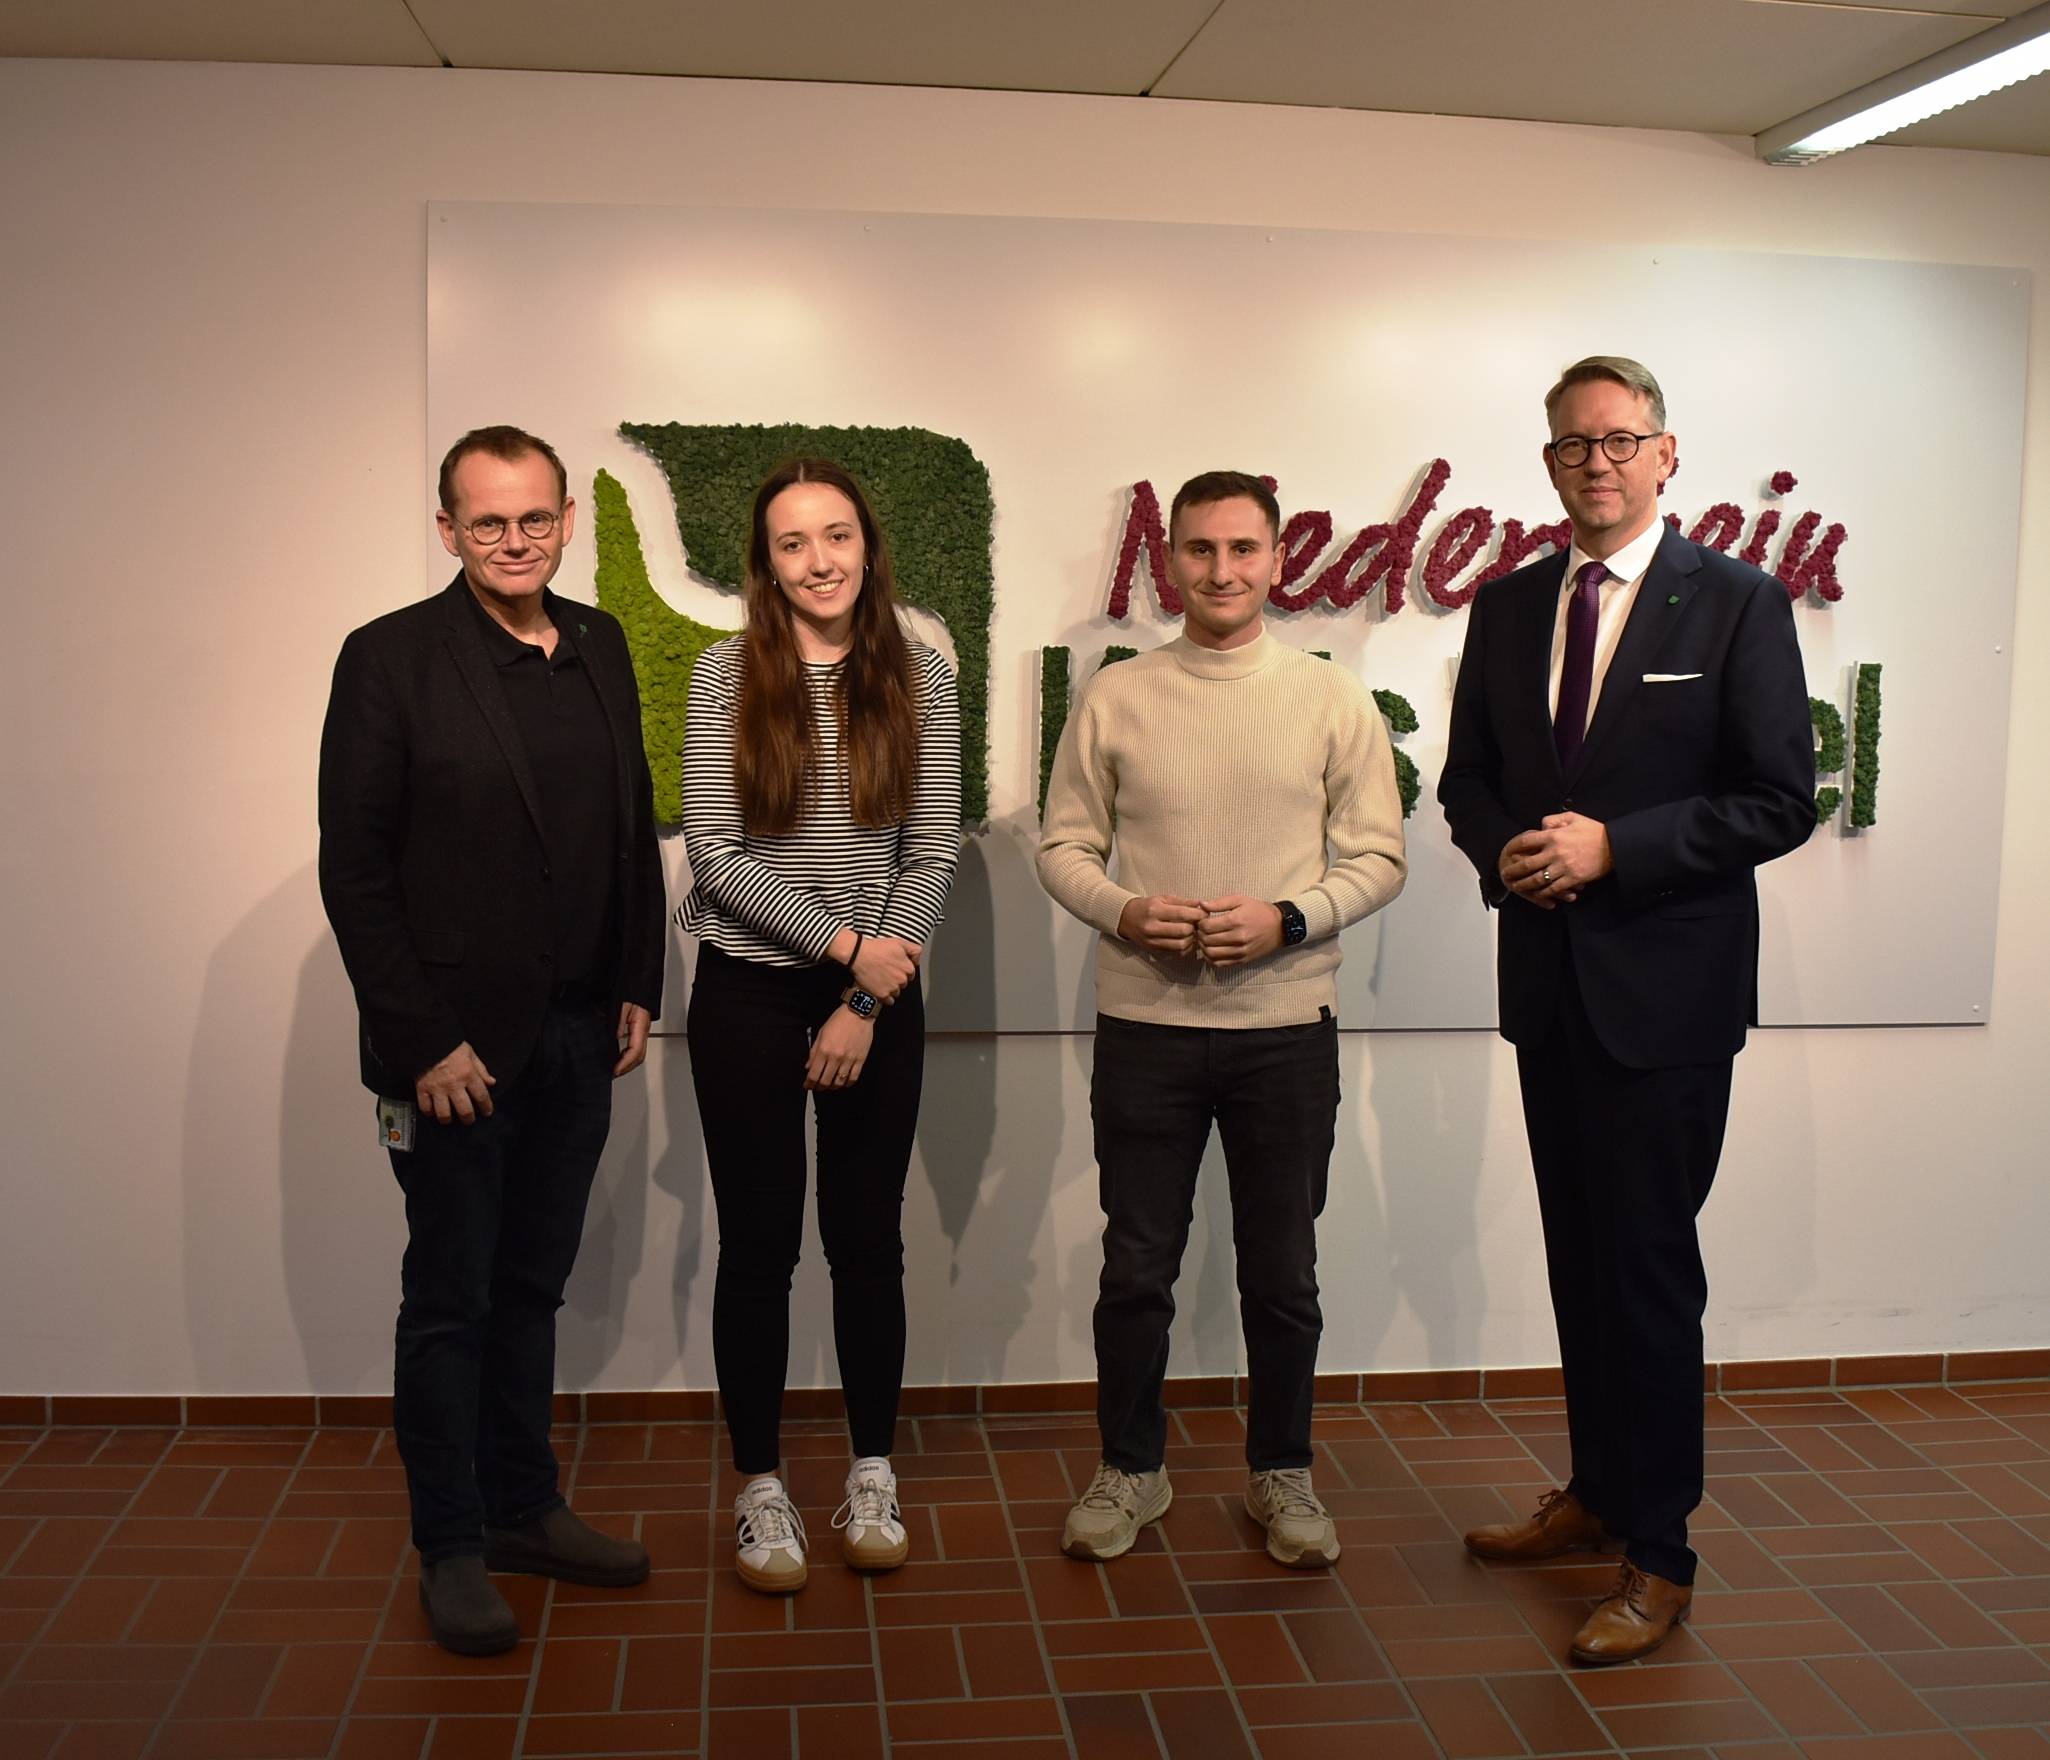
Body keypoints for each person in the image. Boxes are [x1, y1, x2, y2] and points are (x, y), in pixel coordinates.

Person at [1439, 357, 1815, 1664]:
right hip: (1548, 988)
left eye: (1618, 442)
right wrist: (1508, 854)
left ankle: (1659, 1553)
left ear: (1665, 456)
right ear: (1547, 464)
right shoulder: (1505, 607)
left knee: (1647, 1272)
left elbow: (1778, 799)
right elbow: (1467, 781)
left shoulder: (1736, 605)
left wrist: (1617, 851)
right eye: (1569, 447)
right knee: (1578, 1260)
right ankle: (1596, 1492)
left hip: (1665, 1000)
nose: (1593, 464)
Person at [318, 425, 667, 1655]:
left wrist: (637, 974)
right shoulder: (391, 659)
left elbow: (629, 822)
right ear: (447, 528)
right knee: (451, 1300)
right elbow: (355, 870)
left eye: (532, 520)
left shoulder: (601, 643)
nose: (512, 542)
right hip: (454, 1056)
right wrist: (423, 1039)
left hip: (581, 1031)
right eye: (486, 523)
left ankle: (526, 1507)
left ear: (566, 518)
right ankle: (453, 1543)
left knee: (532, 1286)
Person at [1037, 470, 1406, 1570]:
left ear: (1278, 558)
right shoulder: (1117, 695)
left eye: (1243, 549)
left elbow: (1379, 857)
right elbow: (1062, 845)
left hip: (1286, 1030)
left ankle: (1281, 1471)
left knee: (1281, 1271)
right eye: (1199, 550)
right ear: (1170, 563)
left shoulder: (1331, 698)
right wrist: (1126, 910)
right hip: (1144, 1025)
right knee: (1135, 1266)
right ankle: (1131, 1468)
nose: (1221, 570)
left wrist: (1289, 917)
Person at [679, 457, 961, 1594]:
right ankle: (758, 1488)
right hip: (749, 988)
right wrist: (847, 953)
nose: (819, 560)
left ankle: (871, 1472)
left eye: (836, 534)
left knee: (865, 1242)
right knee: (757, 1249)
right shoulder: (721, 676)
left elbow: (930, 846)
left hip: (877, 996)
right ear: (766, 561)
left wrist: (861, 999)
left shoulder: (921, 672)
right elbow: (716, 855)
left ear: (866, 543)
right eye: (793, 543)